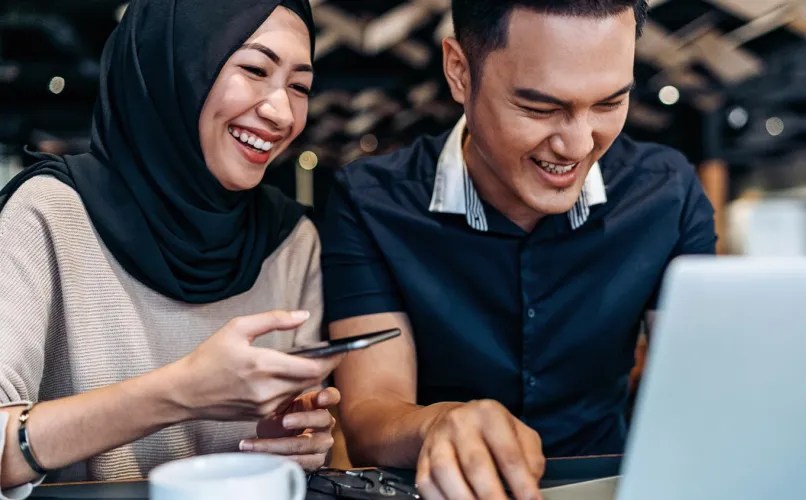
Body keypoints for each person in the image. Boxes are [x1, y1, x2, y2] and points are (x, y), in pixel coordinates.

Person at [321, 1, 717, 499]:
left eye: (609, 104)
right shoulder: (371, 201)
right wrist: (436, 424)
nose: (576, 146)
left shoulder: (667, 193)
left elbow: (699, 385)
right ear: (460, 71)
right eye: (540, 108)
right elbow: (369, 412)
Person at [0, 0, 340, 496]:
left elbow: (308, 435)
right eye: (254, 69)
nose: (282, 112)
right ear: (174, 68)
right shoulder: (49, 214)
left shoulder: (290, 242)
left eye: (300, 86)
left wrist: (301, 442)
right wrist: (178, 393)